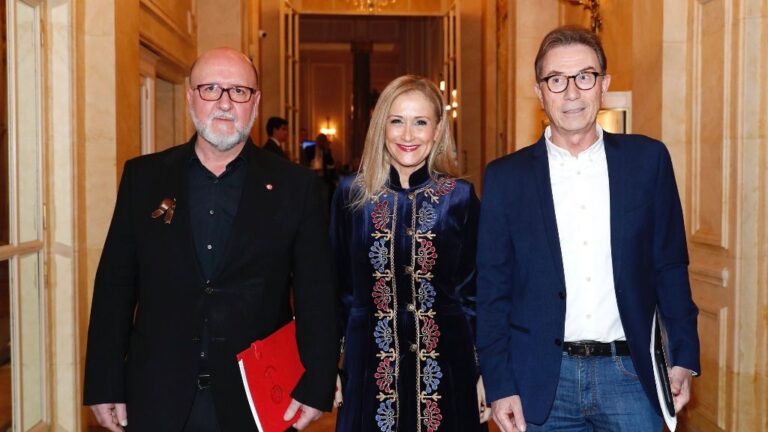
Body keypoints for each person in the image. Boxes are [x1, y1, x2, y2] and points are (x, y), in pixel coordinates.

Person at [83, 47, 338, 432]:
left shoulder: (295, 187)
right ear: (190, 97)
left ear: (255, 102)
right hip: (156, 391)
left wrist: (318, 380)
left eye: (238, 91)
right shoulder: (144, 178)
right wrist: (103, 381)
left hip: (257, 396)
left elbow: (316, 292)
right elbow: (115, 286)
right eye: (210, 89)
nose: (224, 103)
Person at [476, 26, 700, 432]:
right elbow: (493, 290)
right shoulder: (505, 179)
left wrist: (683, 355)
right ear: (539, 92)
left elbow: (669, 265)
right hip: (541, 383)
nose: (572, 93)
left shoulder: (647, 161)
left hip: (632, 376)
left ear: (604, 85)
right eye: (556, 80)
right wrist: (499, 383)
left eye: (585, 76)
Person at [330, 75, 491, 432]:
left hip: (448, 366)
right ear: (381, 126)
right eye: (397, 121)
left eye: (420, 122)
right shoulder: (350, 196)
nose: (407, 135)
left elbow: (475, 294)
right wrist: (333, 367)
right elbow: (339, 289)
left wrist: (483, 373)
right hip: (368, 365)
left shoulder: (460, 198)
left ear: (436, 131)